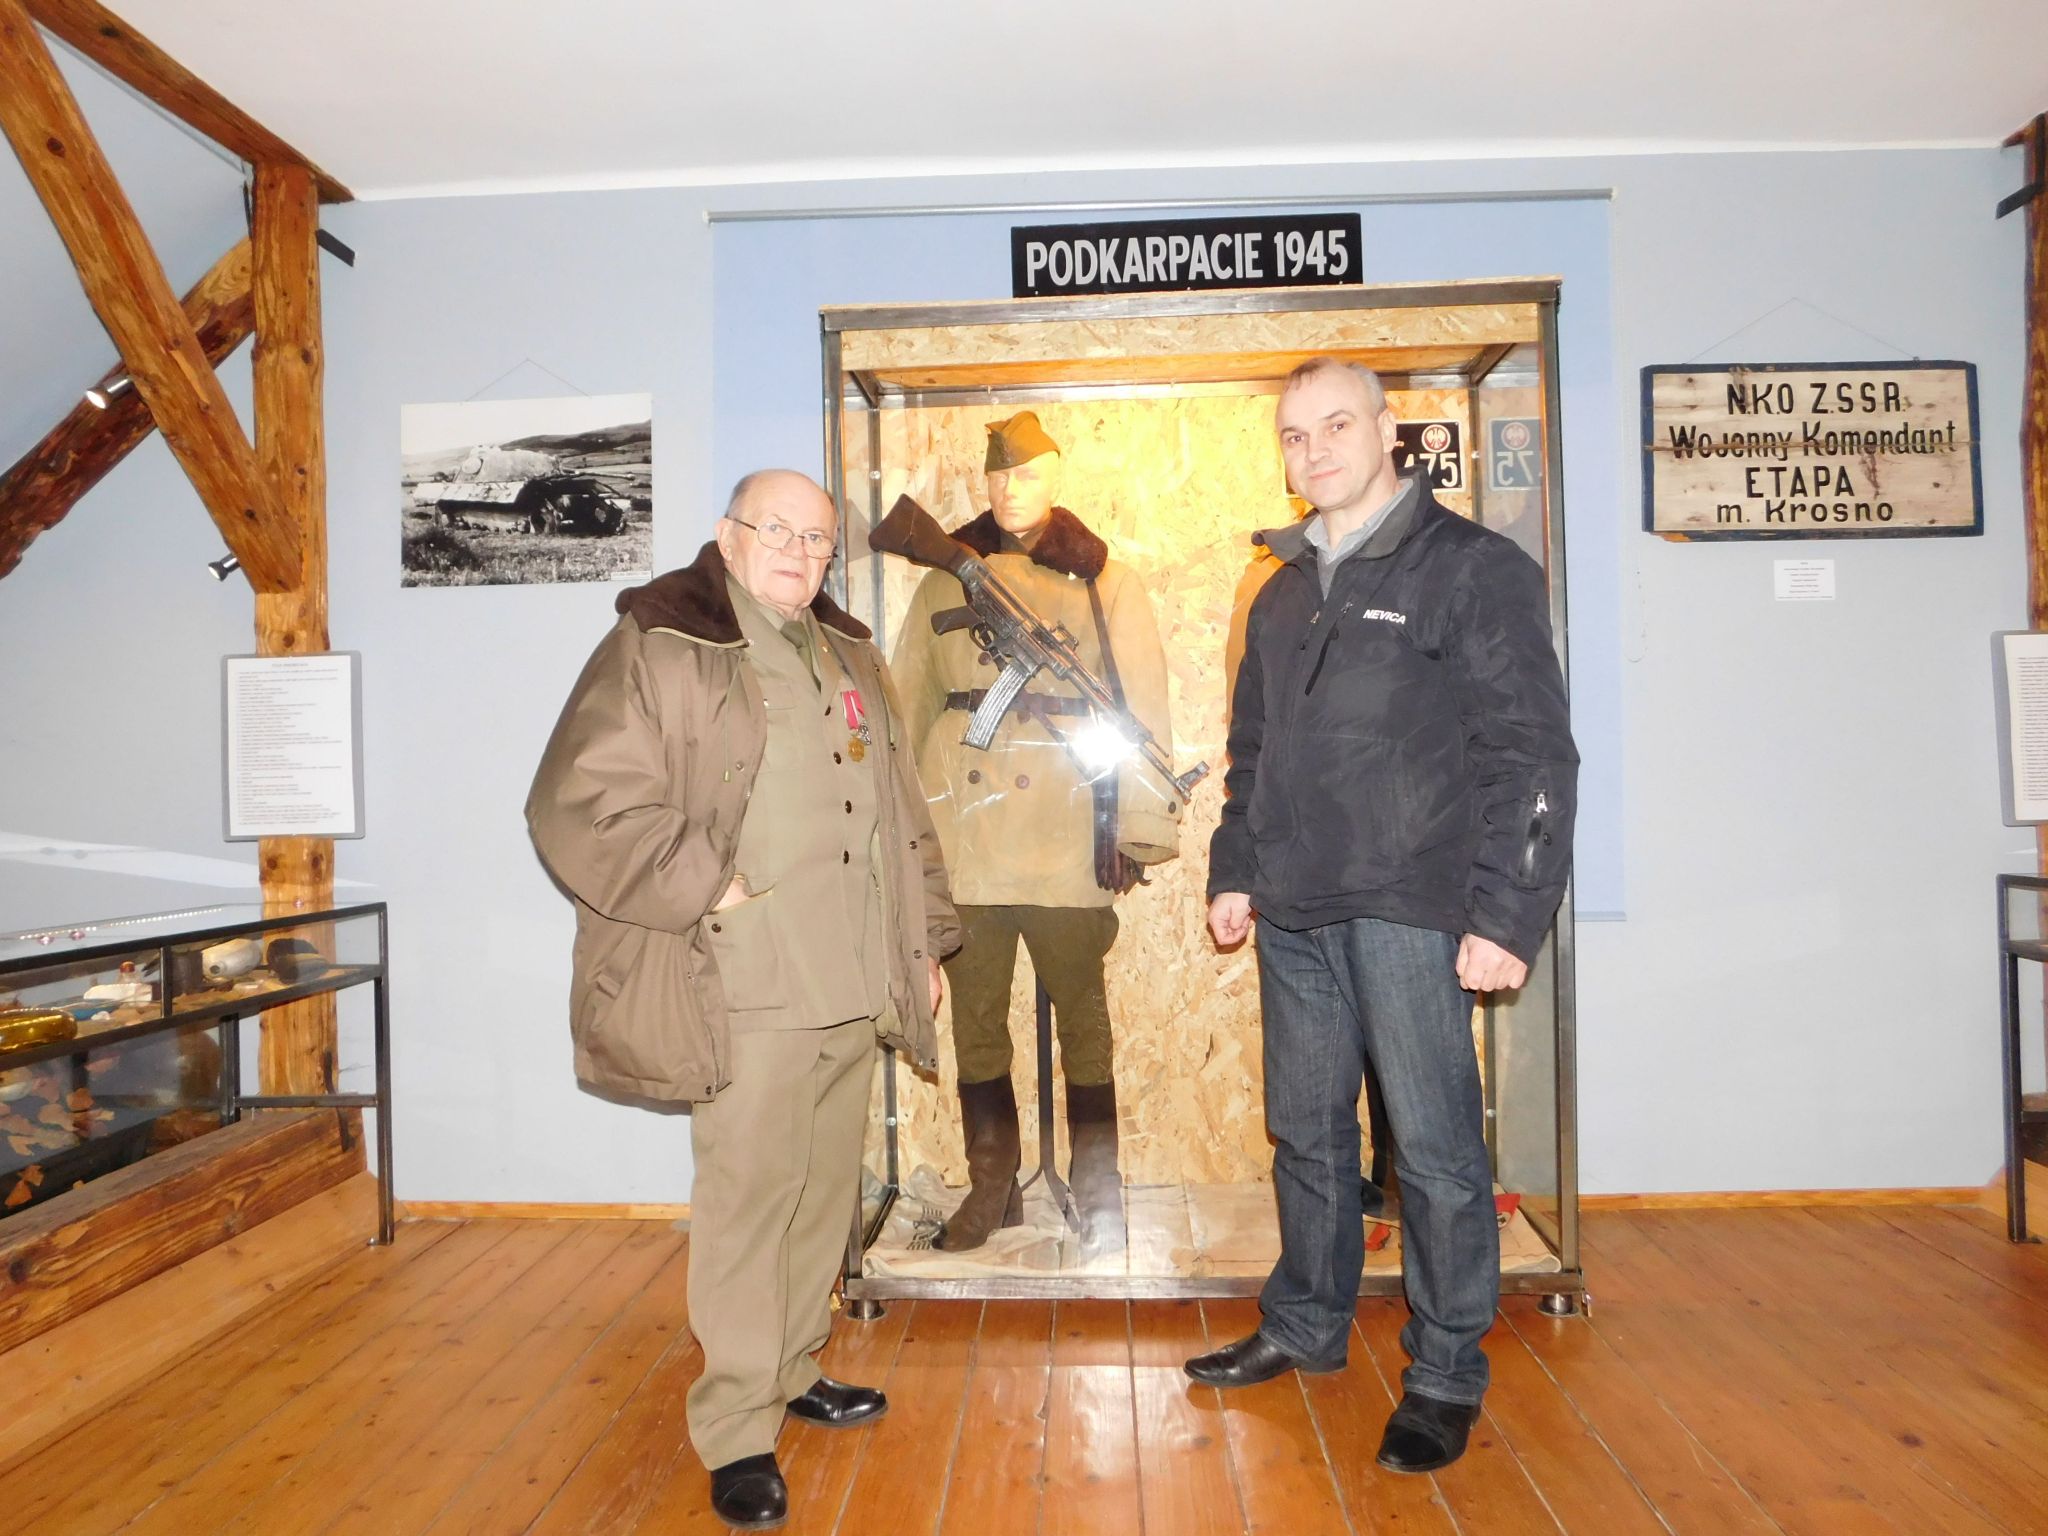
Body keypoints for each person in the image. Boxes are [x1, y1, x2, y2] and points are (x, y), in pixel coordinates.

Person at [526, 469, 960, 1530]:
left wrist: (923, 942)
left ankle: (793, 1366)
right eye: (779, 531)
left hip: (850, 973)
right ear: (727, 536)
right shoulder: (665, 642)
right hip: (747, 978)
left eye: (818, 540)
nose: (801, 554)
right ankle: (734, 1427)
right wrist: (703, 882)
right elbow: (576, 798)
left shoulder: (850, 651)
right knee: (749, 1201)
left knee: (822, 1193)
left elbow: (901, 810)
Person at [1185, 359, 1577, 1475]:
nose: (1313, 451)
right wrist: (1234, 868)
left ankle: (1445, 1374)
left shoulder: (1472, 569)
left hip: (1411, 910)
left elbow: (1531, 756)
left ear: (1387, 428)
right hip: (1293, 909)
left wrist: (1507, 915)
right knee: (1306, 1134)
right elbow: (1254, 751)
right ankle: (1306, 1323)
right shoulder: (1280, 591)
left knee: (1436, 1153)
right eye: (1293, 435)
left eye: (1335, 426)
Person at [890, 411, 1180, 1256]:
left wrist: (1138, 826)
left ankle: (1098, 1189)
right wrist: (902, 841)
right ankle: (993, 1186)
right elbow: (906, 707)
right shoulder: (944, 578)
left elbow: (1142, 709)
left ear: (1055, 480)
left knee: (1084, 1023)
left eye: (1026, 474)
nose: (1009, 489)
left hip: (1066, 833)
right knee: (977, 1021)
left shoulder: (1105, 581)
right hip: (968, 841)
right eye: (997, 476)